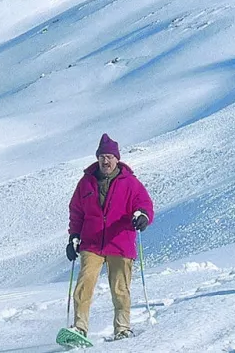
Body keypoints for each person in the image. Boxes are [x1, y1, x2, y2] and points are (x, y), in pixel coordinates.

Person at [64, 134, 155, 341]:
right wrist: (73, 237)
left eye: (110, 157)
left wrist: (142, 216)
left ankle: (122, 328)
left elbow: (144, 204)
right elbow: (76, 212)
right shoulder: (86, 183)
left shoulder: (130, 183)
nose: (106, 161)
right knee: (84, 284)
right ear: (98, 158)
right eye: (102, 156)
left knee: (120, 288)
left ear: (117, 158)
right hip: (92, 242)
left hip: (120, 241)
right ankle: (79, 328)